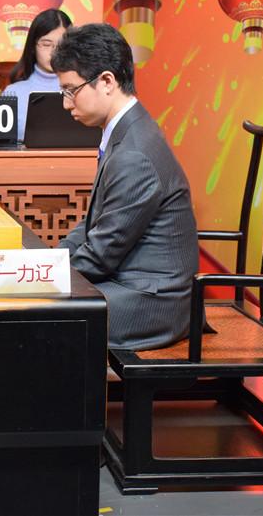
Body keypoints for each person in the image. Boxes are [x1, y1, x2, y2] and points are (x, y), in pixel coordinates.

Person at [51, 23, 199, 350]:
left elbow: (101, 256)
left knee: (40, 316)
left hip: (151, 302)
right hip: (131, 284)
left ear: (107, 81)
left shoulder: (134, 153)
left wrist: (43, 277)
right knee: (37, 310)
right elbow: (94, 225)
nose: (66, 104)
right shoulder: (128, 130)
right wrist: (51, 261)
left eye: (71, 90)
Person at [1, 9, 72, 141]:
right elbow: (0, 144)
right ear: (33, 47)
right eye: (46, 44)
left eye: (62, 45)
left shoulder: (82, 89)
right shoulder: (13, 93)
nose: (54, 53)